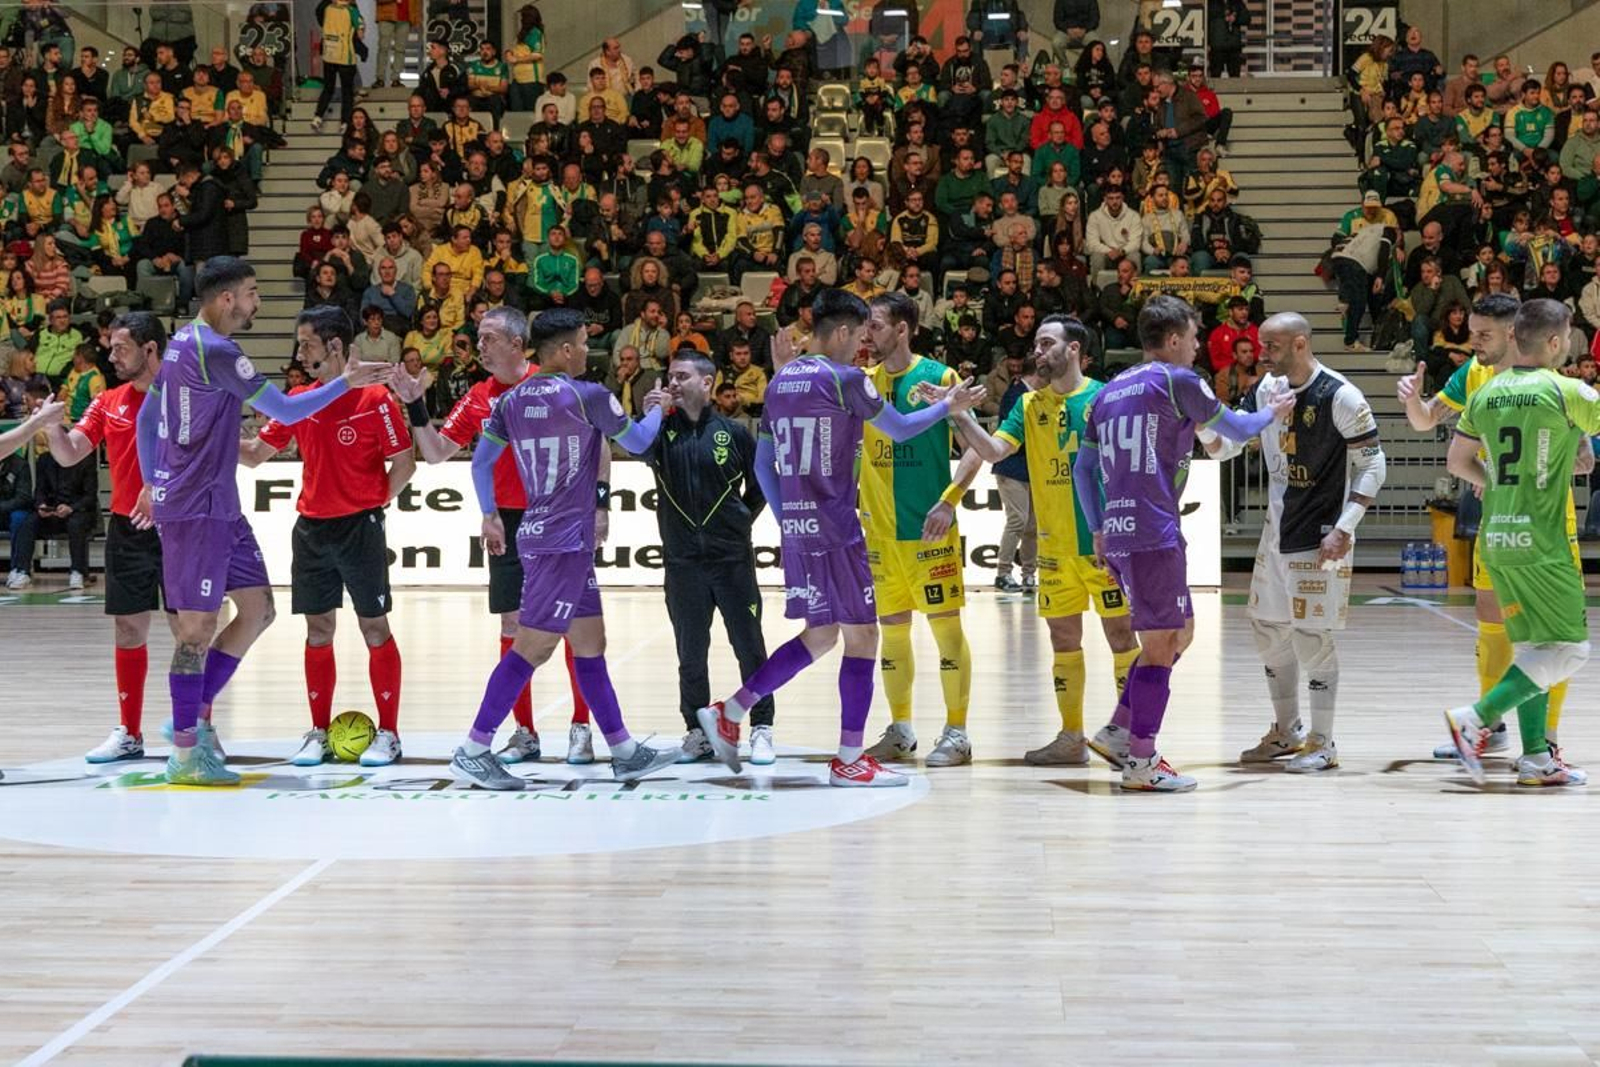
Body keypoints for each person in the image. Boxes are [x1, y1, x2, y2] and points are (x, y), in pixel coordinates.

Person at [696, 289, 986, 787]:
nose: (864, 345)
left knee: (821, 635)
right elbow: (898, 429)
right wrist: (949, 408)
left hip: (800, 529)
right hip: (837, 528)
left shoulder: (782, 378)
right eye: (861, 334)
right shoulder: (846, 378)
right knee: (863, 636)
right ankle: (849, 758)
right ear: (845, 332)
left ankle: (732, 709)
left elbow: (764, 463)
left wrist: (789, 518)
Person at [134, 257, 392, 786]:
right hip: (194, 506)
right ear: (226, 298)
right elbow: (288, 411)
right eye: (252, 293)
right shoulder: (218, 350)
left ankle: (194, 716)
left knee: (259, 609)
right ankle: (185, 751)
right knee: (195, 630)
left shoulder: (184, 340)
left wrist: (148, 477)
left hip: (219, 502)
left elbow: (146, 415)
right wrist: (344, 383)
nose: (257, 304)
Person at [451, 308, 680, 789]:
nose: (588, 352)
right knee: (531, 648)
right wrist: (659, 406)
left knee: (590, 642)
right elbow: (637, 442)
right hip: (563, 541)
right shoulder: (588, 394)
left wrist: (489, 512)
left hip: (541, 532)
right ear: (566, 349)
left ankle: (623, 750)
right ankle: (473, 748)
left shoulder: (511, 401)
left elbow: (479, 464)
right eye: (583, 342)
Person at [1071, 295, 1293, 791]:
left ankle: (1118, 731)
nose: (1196, 347)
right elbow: (1234, 429)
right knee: (1159, 645)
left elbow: (1083, 469)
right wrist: (1272, 413)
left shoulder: (1106, 393)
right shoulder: (1177, 380)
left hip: (1125, 529)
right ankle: (1142, 763)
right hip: (1153, 529)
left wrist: (1099, 529)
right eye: (1193, 338)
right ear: (1172, 340)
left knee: (1181, 631)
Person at [391, 306, 599, 764]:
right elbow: (437, 452)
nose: (478, 346)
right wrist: (415, 404)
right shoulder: (481, 396)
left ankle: (581, 727)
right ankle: (524, 732)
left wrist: (599, 506)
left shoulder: (554, 384)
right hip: (507, 521)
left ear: (516, 344)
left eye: (488, 338)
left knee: (571, 629)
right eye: (478, 338)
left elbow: (597, 444)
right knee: (512, 626)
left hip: (560, 517)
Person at [1398, 294, 1587, 757]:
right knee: (1511, 631)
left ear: (1513, 334)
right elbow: (1425, 422)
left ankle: (1543, 743)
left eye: (1483, 334)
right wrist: (1414, 400)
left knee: (1542, 641)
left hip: (1526, 522)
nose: (1473, 341)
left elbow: (1580, 456)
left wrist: (1501, 480)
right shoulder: (1480, 376)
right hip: (1521, 523)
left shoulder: (1520, 387)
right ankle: (1493, 725)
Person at [955, 315, 1144, 763]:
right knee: (1063, 640)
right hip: (1055, 549)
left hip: (1104, 547)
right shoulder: (1028, 404)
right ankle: (1072, 738)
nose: (1037, 352)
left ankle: (1132, 736)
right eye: (1036, 345)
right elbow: (995, 451)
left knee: (1121, 638)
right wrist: (957, 414)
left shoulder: (1104, 398)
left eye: (1046, 343)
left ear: (1073, 349)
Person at [1206, 313, 1386, 773]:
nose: (1262, 352)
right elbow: (1231, 443)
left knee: (1311, 637)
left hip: (1322, 534)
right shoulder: (1268, 388)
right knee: (1267, 628)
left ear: (1301, 343)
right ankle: (1287, 731)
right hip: (1277, 531)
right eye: (1261, 345)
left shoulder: (1340, 395)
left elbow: (1372, 465)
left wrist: (1346, 525)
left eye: (1272, 345)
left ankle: (1323, 743)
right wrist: (1203, 425)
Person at [238, 308, 415, 768]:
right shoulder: (299, 398)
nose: (299, 354)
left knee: (374, 627)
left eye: (307, 344)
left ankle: (390, 733)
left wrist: (373, 504)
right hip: (311, 530)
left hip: (360, 527)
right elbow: (256, 455)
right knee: (319, 631)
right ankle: (317, 730)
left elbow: (405, 462)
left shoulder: (376, 398)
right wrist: (209, 437)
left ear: (335, 346)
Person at [1443, 299, 1594, 788]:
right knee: (1569, 651)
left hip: (1497, 538)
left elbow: (1457, 462)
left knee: (1531, 648)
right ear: (1554, 342)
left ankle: (1535, 760)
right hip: (1543, 543)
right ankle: (1476, 717)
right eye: (1569, 336)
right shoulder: (1566, 390)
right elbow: (1584, 448)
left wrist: (1497, 483)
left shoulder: (1486, 394)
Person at [846, 293, 982, 768]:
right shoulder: (862, 384)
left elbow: (977, 448)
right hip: (880, 536)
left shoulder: (939, 378)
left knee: (946, 632)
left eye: (876, 326)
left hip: (929, 531)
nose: (867, 335)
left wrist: (949, 501)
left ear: (902, 329)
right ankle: (901, 730)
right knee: (894, 633)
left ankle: (958, 732)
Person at [644, 350, 775, 763]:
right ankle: (696, 732)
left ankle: (762, 727)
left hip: (731, 560)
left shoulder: (734, 433)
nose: (673, 384)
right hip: (682, 563)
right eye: (670, 377)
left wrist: (738, 523)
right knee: (691, 651)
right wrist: (648, 419)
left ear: (708, 382)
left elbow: (760, 487)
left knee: (749, 645)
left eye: (682, 376)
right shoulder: (660, 433)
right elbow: (632, 449)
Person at [310, 0, 364, 133]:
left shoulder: (327, 8)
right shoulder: (352, 10)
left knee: (328, 87)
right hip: (345, 57)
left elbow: (318, 14)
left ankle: (317, 117)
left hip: (329, 55)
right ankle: (345, 122)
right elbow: (361, 33)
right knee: (347, 91)